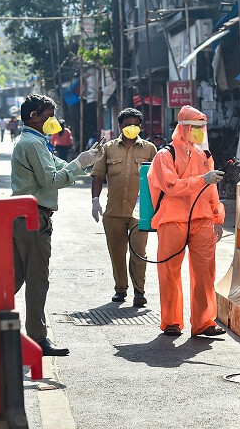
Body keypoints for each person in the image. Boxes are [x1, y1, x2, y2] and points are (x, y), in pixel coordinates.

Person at [11, 94, 104, 356]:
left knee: (13, 278)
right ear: (34, 116)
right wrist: (79, 163)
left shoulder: (36, 141)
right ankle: (38, 338)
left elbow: (59, 166)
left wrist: (84, 163)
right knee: (37, 278)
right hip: (33, 216)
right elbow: (50, 180)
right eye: (48, 115)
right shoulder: (33, 144)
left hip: (21, 215)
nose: (53, 120)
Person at [147, 105, 226, 337]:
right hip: (172, 220)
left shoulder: (204, 155)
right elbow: (171, 186)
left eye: (203, 127)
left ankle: (204, 322)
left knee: (205, 272)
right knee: (169, 272)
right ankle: (171, 321)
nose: (200, 132)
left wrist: (218, 217)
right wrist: (202, 179)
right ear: (183, 128)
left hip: (202, 220)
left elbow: (212, 190)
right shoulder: (165, 155)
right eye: (196, 127)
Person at [91, 109, 157, 306]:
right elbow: (98, 175)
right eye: (127, 123)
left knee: (139, 252)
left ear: (140, 126)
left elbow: (157, 180)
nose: (132, 127)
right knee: (117, 253)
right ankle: (121, 289)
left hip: (140, 212)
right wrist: (95, 200)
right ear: (119, 126)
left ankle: (139, 291)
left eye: (136, 123)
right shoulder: (108, 148)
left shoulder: (150, 149)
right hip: (114, 211)